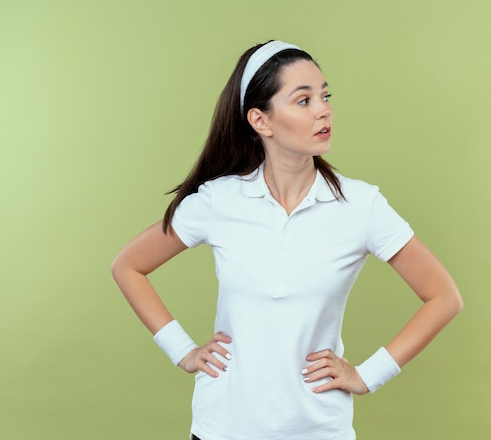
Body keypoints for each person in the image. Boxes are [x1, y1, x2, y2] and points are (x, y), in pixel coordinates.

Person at [111, 40, 463, 440]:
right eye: (303, 100)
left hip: (318, 428)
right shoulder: (219, 200)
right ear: (261, 121)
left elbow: (444, 297)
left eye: (325, 96)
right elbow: (128, 265)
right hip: (222, 427)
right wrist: (183, 351)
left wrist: (368, 375)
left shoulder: (361, 205)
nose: (324, 109)